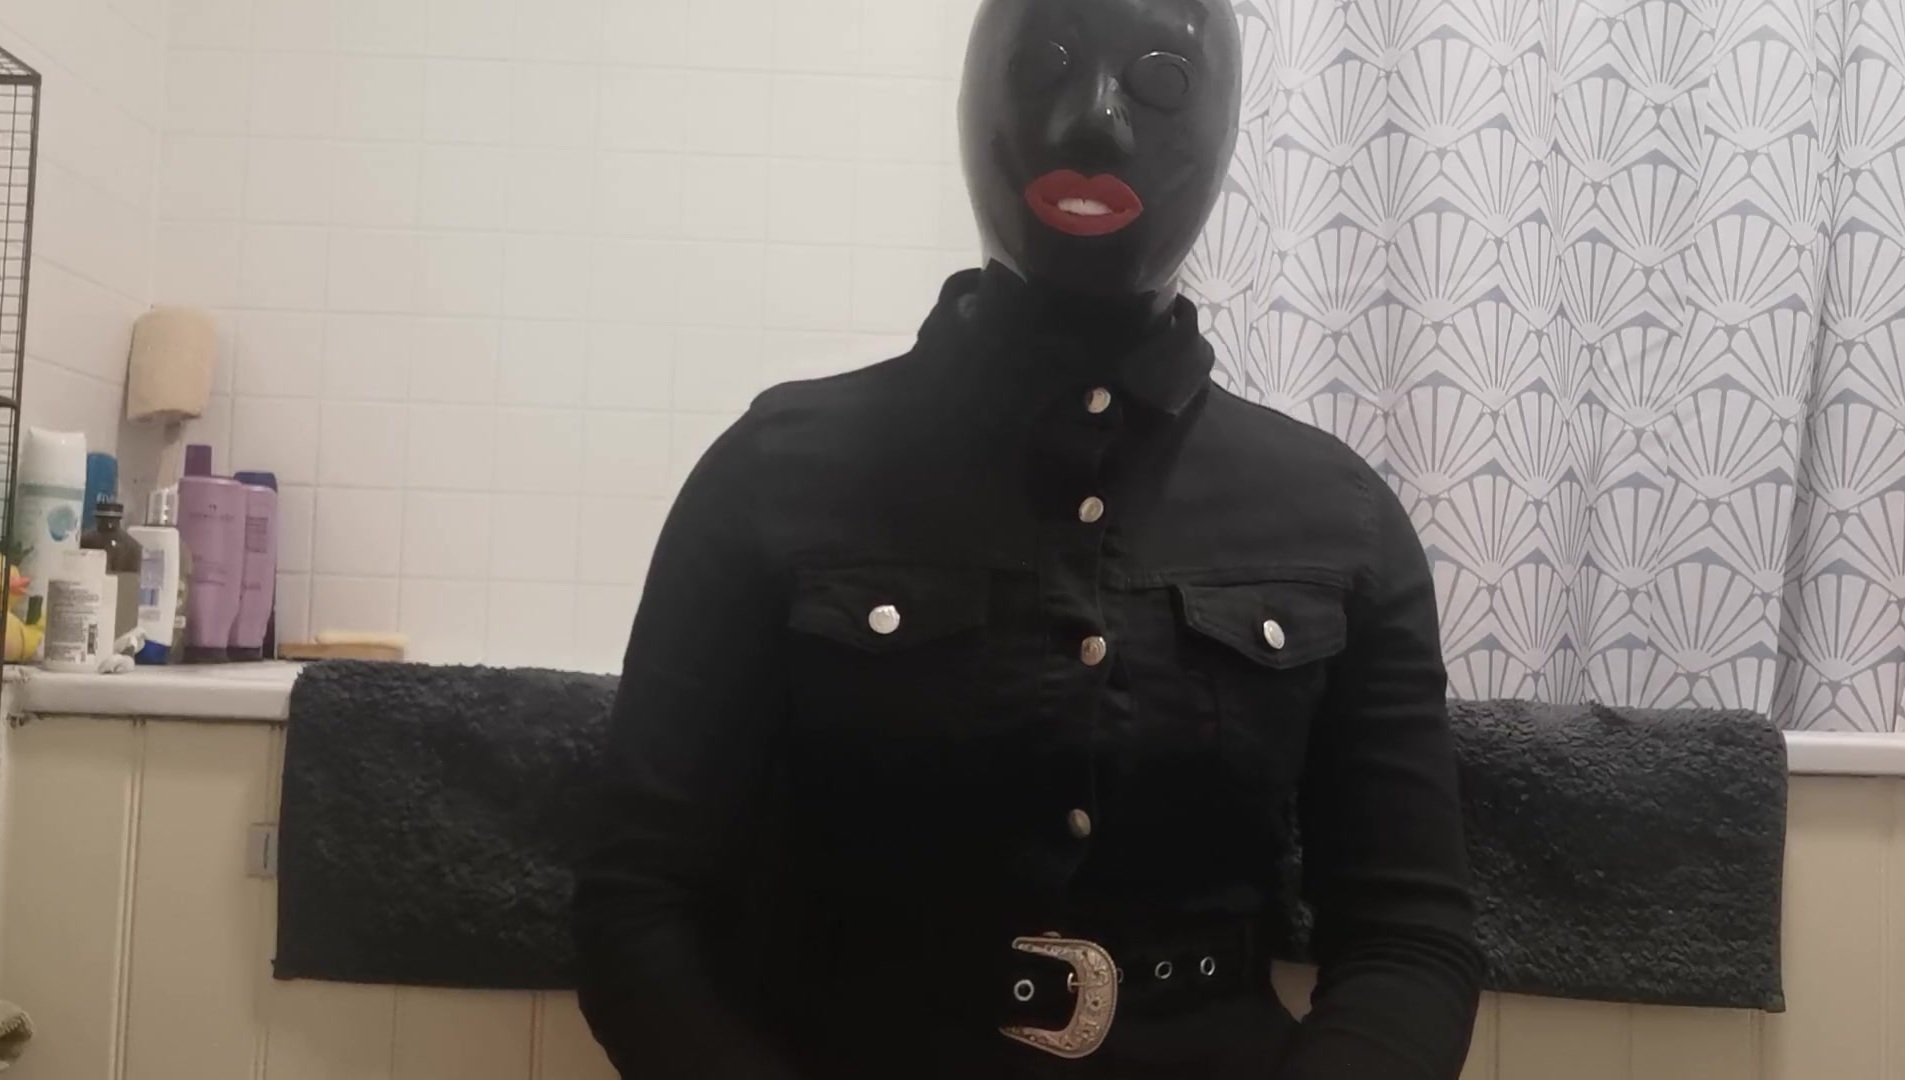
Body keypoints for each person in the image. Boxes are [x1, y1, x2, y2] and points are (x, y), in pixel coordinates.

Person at [572, 0, 1483, 1075]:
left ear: (1226, 129)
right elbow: (636, 904)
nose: (1093, 120)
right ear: (967, 103)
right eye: (1042, 64)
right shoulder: (771, 470)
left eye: (1161, 81)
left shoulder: (1338, 511)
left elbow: (1409, 937)